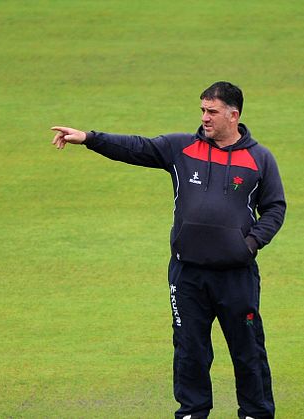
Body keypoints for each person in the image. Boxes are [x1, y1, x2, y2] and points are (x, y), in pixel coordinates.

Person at [51, 81, 285, 419]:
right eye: (203, 110)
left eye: (212, 112)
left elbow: (275, 207)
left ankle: (256, 413)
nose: (205, 117)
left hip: (236, 275)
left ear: (234, 116)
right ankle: (192, 413)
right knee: (190, 351)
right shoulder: (181, 148)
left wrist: (249, 245)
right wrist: (89, 138)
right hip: (187, 274)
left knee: (248, 350)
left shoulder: (259, 158)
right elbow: (135, 147)